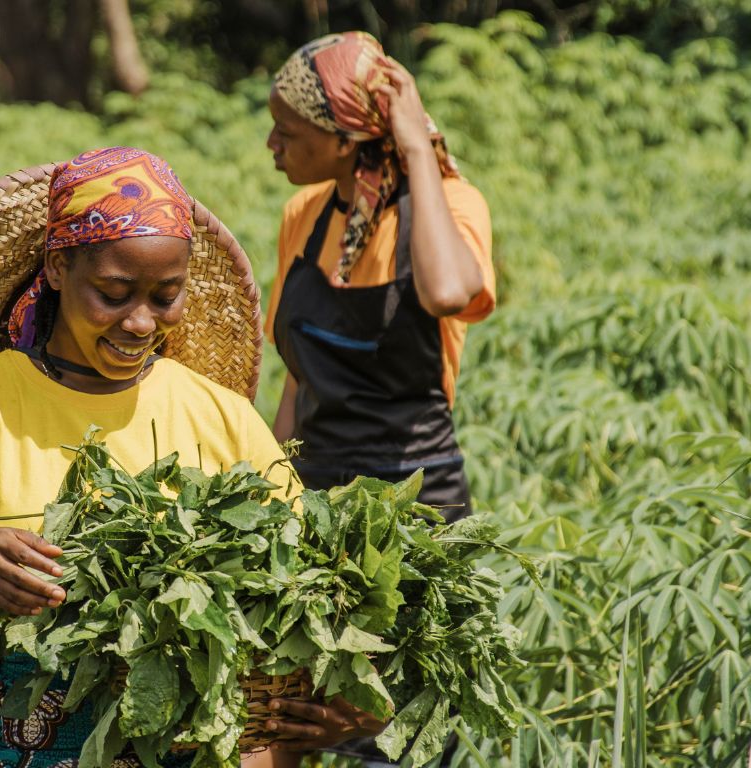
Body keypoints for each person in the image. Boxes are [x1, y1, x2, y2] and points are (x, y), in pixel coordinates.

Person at [0, 146, 386, 767]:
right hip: (17, 740)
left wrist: (341, 707)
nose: (140, 322)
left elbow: (303, 599)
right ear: (57, 268)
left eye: (166, 295)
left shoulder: (219, 417)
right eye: (113, 293)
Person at [262, 31, 496, 768]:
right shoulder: (305, 217)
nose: (272, 144)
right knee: (282, 714)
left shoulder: (448, 205)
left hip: (416, 508)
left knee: (402, 736)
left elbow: (449, 290)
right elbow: (298, 376)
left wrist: (418, 151)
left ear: (344, 140)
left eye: (288, 131)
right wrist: (267, 489)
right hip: (316, 500)